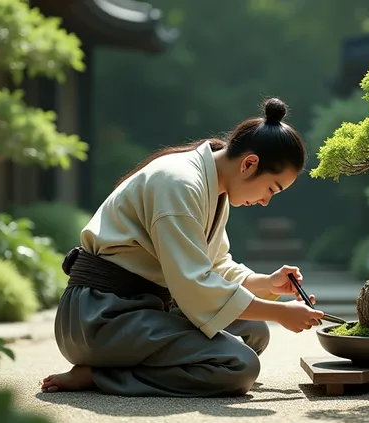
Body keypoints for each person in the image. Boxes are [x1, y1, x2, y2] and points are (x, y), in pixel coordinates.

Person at [40, 97, 325, 397]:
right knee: (239, 367)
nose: (266, 201)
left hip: (139, 310)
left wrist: (266, 283)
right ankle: (101, 375)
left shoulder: (215, 187)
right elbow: (194, 284)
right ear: (249, 163)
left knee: (253, 332)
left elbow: (214, 265)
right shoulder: (180, 183)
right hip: (99, 317)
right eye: (270, 189)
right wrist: (278, 313)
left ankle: (117, 367)